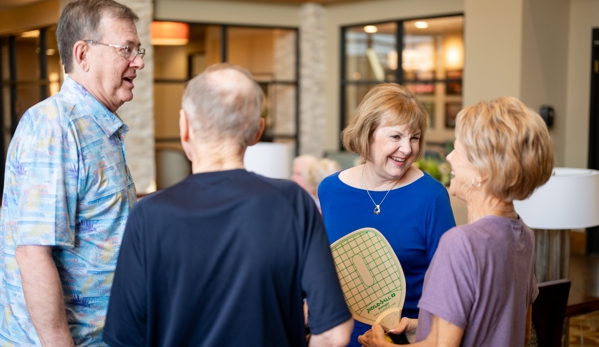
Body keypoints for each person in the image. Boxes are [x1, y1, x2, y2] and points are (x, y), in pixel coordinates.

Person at [103, 63, 353, 347]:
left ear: (184, 126)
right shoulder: (294, 203)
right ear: (258, 131)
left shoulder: (147, 215)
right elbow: (334, 333)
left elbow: (124, 340)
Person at [0, 1, 145, 346]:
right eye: (127, 49)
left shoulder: (96, 127)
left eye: (139, 50)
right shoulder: (55, 128)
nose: (138, 61)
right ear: (83, 55)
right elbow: (33, 254)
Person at [358, 97, 554, 347]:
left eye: (458, 150)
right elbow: (511, 330)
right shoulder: (523, 234)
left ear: (483, 171)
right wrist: (420, 326)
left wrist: (381, 345)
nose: (449, 157)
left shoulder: (460, 244)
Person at [318, 83, 456, 347]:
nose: (407, 149)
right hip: (341, 336)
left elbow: (449, 291)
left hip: (407, 339)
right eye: (396, 137)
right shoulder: (330, 190)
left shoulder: (432, 197)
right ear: (366, 133)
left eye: (414, 138)